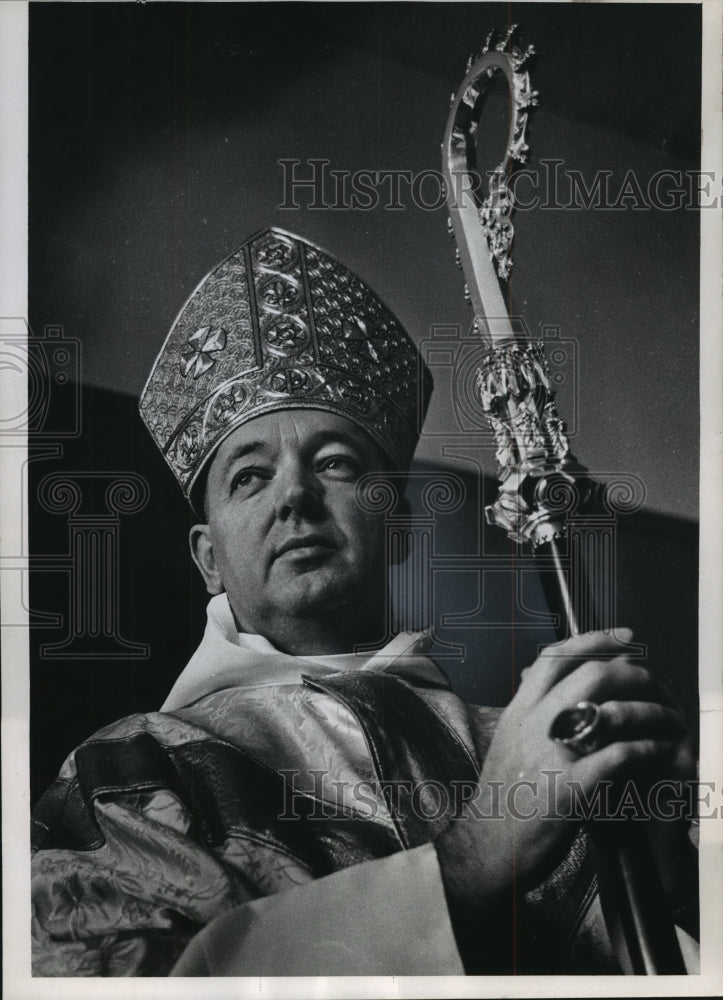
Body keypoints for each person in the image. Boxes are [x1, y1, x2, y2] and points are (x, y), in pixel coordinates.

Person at [30, 227, 698, 977]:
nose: (295, 496)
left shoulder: (521, 743)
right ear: (207, 558)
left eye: (336, 463)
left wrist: (669, 880)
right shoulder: (126, 769)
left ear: (400, 525)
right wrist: (472, 860)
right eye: (250, 476)